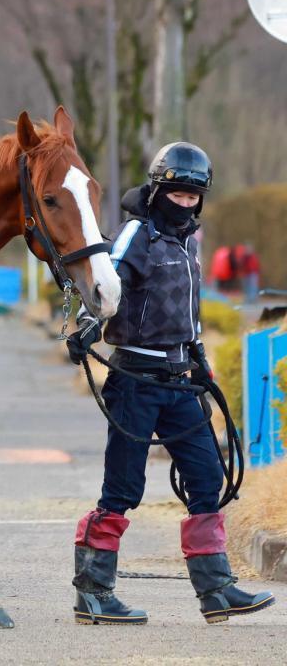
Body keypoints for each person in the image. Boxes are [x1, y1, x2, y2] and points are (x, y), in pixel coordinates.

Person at [65, 142, 275, 625]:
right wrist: (86, 326)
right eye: (177, 194)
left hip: (181, 380)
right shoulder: (137, 234)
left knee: (207, 479)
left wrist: (199, 357)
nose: (184, 204)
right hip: (135, 379)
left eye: (192, 197)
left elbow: (188, 311)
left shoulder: (187, 242)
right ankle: (93, 592)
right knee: (122, 489)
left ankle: (217, 590)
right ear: (159, 189)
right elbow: (104, 285)